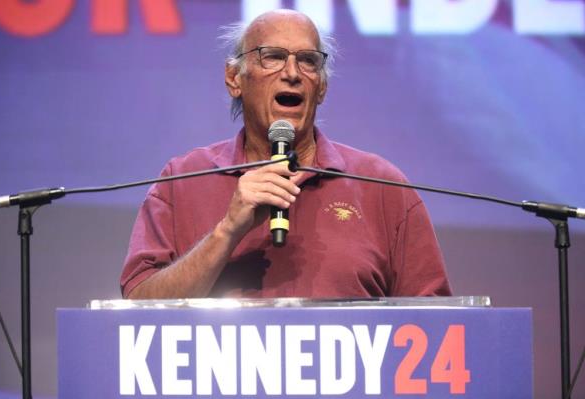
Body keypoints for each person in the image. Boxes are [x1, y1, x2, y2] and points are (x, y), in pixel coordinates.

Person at [120, 9, 451, 299]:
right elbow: (138, 312)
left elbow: (438, 324)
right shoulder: (181, 180)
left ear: (321, 87)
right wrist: (226, 231)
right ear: (234, 78)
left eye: (308, 61)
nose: (292, 73)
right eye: (273, 56)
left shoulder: (382, 185)